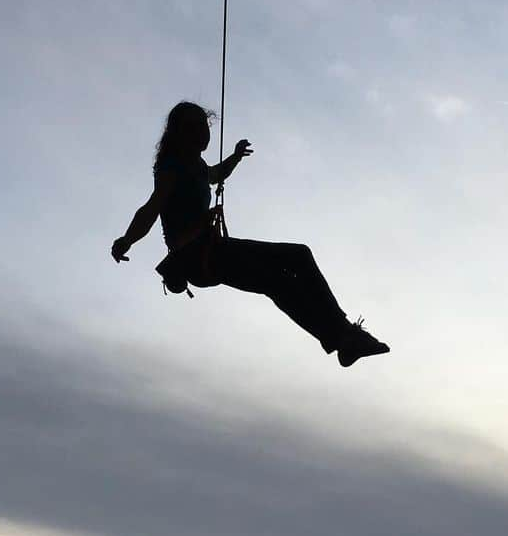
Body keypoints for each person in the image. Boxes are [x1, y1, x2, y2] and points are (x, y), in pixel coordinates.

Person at [111, 101, 389, 367]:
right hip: (197, 256)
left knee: (284, 274)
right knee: (290, 266)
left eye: (204, 125)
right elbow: (151, 208)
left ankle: (341, 337)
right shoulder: (172, 168)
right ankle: (343, 334)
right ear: (181, 133)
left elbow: (217, 174)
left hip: (211, 250)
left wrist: (235, 157)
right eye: (195, 126)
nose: (203, 131)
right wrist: (127, 240)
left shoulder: (196, 166)